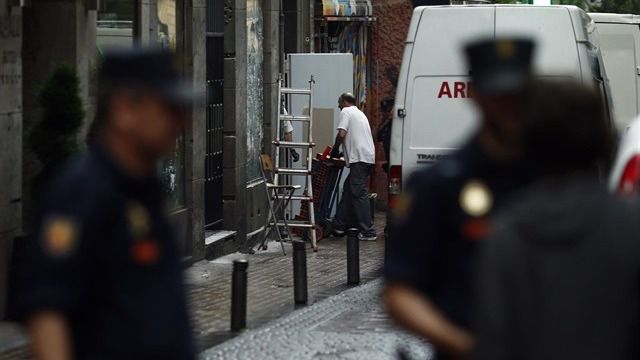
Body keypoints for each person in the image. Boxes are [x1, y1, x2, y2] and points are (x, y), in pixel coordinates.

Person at [11, 48, 196, 360]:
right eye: (168, 108)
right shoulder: (80, 192)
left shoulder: (145, 191)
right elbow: (48, 312)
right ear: (124, 108)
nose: (180, 123)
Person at [383, 37, 535, 359]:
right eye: (498, 95)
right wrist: (466, 346)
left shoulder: (553, 178)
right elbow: (399, 292)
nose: (508, 105)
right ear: (475, 95)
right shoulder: (437, 185)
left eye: (516, 94)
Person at [473, 80, 637, 360]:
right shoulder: (630, 225)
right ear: (603, 139)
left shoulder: (504, 234)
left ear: (527, 143)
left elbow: (493, 342)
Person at [330, 92, 377, 241]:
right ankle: (339, 225)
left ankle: (368, 231)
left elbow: (342, 134)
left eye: (339, 103)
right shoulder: (360, 114)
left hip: (360, 159)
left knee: (358, 193)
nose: (338, 106)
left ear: (344, 102)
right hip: (366, 158)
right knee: (349, 189)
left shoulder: (346, 111)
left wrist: (335, 149)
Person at [377, 96, 394, 173]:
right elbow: (377, 137)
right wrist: (383, 121)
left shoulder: (397, 124)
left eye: (385, 111)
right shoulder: (386, 124)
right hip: (389, 161)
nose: (382, 113)